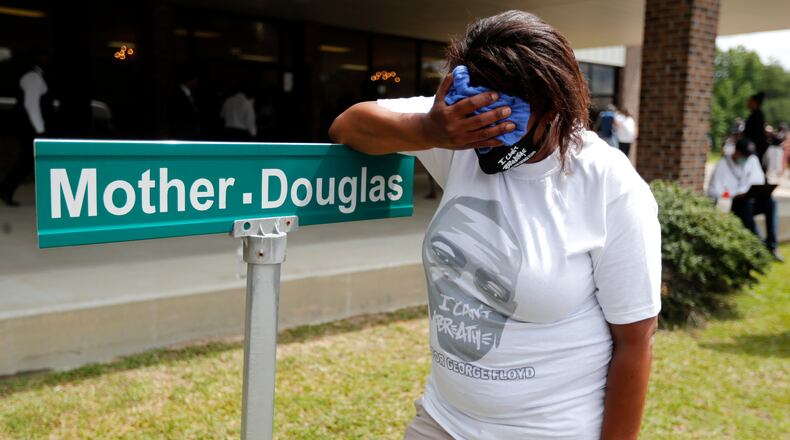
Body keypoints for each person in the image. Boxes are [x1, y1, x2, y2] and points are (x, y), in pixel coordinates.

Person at [330, 11, 660, 439]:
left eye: (506, 116)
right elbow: (348, 126)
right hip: (443, 420)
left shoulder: (606, 183)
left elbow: (636, 341)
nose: (487, 134)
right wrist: (429, 128)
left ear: (551, 105)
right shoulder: (460, 132)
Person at [708, 137, 783, 262]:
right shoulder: (722, 164)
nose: (746, 158)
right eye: (744, 155)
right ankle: (758, 245)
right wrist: (734, 194)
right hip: (732, 204)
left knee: (770, 202)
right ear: (736, 152)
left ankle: (771, 245)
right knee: (746, 204)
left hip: (749, 200)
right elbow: (714, 191)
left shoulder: (752, 160)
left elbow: (757, 180)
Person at [0, 49, 52, 206]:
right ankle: (6, 188)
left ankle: (6, 188)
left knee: (29, 160)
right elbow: (31, 105)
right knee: (27, 161)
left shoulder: (36, 75)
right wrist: (40, 129)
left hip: (30, 125)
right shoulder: (32, 76)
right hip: (31, 126)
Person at [168, 67, 201, 140]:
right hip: (182, 136)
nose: (197, 83)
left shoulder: (189, 95)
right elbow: (178, 118)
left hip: (189, 136)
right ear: (190, 80)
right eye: (195, 80)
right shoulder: (177, 95)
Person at [743, 92, 768, 169]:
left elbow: (756, 135)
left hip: (755, 148)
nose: (747, 103)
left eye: (750, 101)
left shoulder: (757, 116)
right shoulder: (755, 115)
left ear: (755, 103)